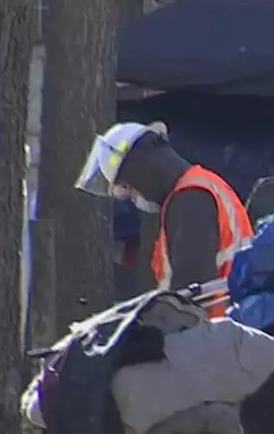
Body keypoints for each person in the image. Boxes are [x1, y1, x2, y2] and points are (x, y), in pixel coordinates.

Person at [75, 121, 252, 316]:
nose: (136, 197)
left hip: (215, 336)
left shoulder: (190, 198)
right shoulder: (204, 185)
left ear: (138, 166)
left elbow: (189, 299)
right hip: (230, 330)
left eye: (130, 187)